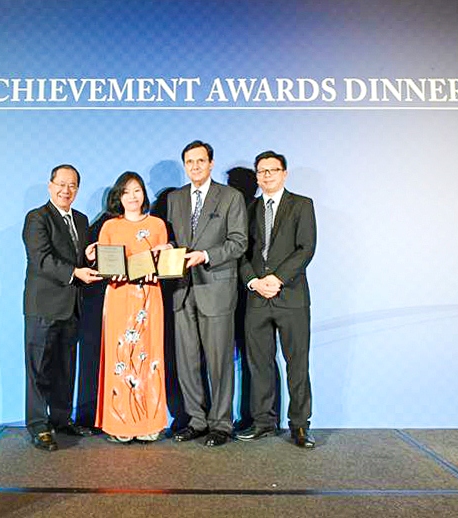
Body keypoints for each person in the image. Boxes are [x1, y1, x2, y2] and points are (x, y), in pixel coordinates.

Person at [166, 140, 247, 447]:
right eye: (190, 162)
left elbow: (239, 242)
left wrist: (206, 255)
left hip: (216, 288)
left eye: (201, 161)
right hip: (182, 290)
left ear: (211, 163)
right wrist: (167, 248)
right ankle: (196, 421)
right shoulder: (174, 198)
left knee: (219, 362)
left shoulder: (230, 197)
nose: (195, 166)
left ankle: (221, 424)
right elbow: (173, 240)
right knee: (187, 362)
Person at [235, 151, 317, 448]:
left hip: (291, 296)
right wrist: (254, 281)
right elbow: (240, 251)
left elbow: (306, 248)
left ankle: (300, 426)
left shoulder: (302, 205)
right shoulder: (248, 208)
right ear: (257, 177)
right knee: (259, 364)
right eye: (261, 171)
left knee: (297, 364)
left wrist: (278, 278)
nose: (267, 175)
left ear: (284, 173)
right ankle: (263, 422)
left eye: (273, 170)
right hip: (257, 297)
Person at [22, 164, 101, 451]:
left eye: (72, 186)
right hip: (43, 306)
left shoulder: (80, 219)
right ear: (50, 185)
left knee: (65, 368)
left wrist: (88, 257)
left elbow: (77, 259)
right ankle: (38, 425)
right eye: (61, 184)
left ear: (77, 189)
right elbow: (41, 259)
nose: (66, 190)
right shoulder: (37, 218)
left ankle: (61, 419)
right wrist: (75, 272)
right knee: (39, 369)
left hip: (72, 306)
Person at [92, 172, 169, 443]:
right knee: (120, 356)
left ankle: (150, 423)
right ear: (119, 196)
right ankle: (120, 424)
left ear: (144, 194)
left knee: (149, 355)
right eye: (126, 192)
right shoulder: (109, 227)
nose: (132, 196)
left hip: (149, 296)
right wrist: (98, 260)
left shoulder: (158, 224)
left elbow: (163, 265)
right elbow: (104, 264)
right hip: (119, 296)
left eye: (137, 190)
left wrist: (165, 254)